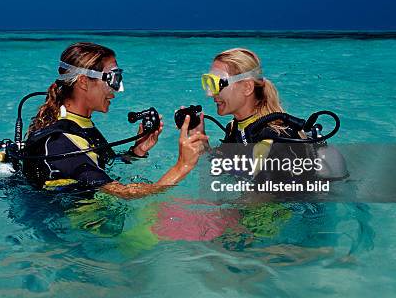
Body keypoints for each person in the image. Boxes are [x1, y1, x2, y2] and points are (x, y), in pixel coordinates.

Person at [22, 42, 208, 199]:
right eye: (113, 78)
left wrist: (137, 151)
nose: (118, 89)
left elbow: (96, 164)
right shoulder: (61, 142)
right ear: (83, 82)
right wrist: (183, 165)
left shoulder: (78, 124)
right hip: (79, 234)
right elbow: (123, 194)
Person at [196, 47, 317, 184]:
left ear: (247, 87)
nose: (210, 93)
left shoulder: (271, 141)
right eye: (209, 83)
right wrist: (200, 140)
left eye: (218, 84)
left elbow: (260, 202)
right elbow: (222, 166)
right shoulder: (237, 127)